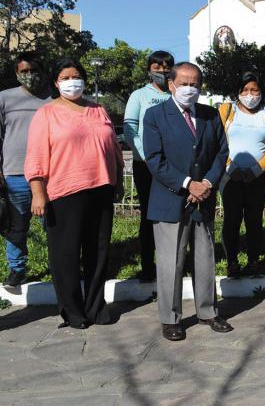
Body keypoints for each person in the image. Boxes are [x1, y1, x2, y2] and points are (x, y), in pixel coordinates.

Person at [24, 58, 123, 328]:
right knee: (65, 255)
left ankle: (95, 308)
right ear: (56, 83)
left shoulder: (99, 109)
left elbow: (113, 146)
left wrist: (119, 181)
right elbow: (36, 155)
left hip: (101, 188)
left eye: (76, 76)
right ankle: (73, 311)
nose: (72, 81)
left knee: (98, 252)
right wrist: (38, 192)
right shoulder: (47, 113)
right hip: (64, 192)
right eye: (65, 77)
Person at [142, 62, 232, 341]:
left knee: (205, 258)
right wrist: (186, 183)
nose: (189, 89)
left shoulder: (210, 114)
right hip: (171, 198)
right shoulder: (155, 115)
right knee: (171, 262)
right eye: (184, 83)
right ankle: (170, 318)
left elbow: (221, 152)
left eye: (195, 84)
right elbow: (154, 159)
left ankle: (208, 311)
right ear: (171, 84)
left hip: (203, 198)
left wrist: (205, 183)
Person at [218, 72, 265, 277]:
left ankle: (254, 261)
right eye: (245, 90)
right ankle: (232, 262)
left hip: (258, 177)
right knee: (231, 220)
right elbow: (218, 141)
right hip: (230, 176)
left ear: (261, 92)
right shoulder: (226, 110)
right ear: (238, 92)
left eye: (254, 90)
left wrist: (256, 170)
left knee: (254, 220)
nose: (250, 94)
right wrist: (230, 167)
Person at [0, 53, 52, 288]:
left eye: (34, 70)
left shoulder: (54, 98)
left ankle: (59, 265)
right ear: (17, 73)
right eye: (25, 71)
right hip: (15, 174)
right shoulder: (5, 98)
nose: (30, 76)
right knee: (17, 226)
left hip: (49, 174)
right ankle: (17, 269)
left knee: (53, 224)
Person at [123, 50, 175, 282]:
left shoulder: (176, 93)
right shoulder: (139, 96)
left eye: (166, 67)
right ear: (149, 70)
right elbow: (130, 130)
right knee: (149, 215)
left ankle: (173, 262)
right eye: (157, 67)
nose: (162, 71)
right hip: (146, 166)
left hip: (174, 167)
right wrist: (148, 157)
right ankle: (147, 265)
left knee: (173, 214)